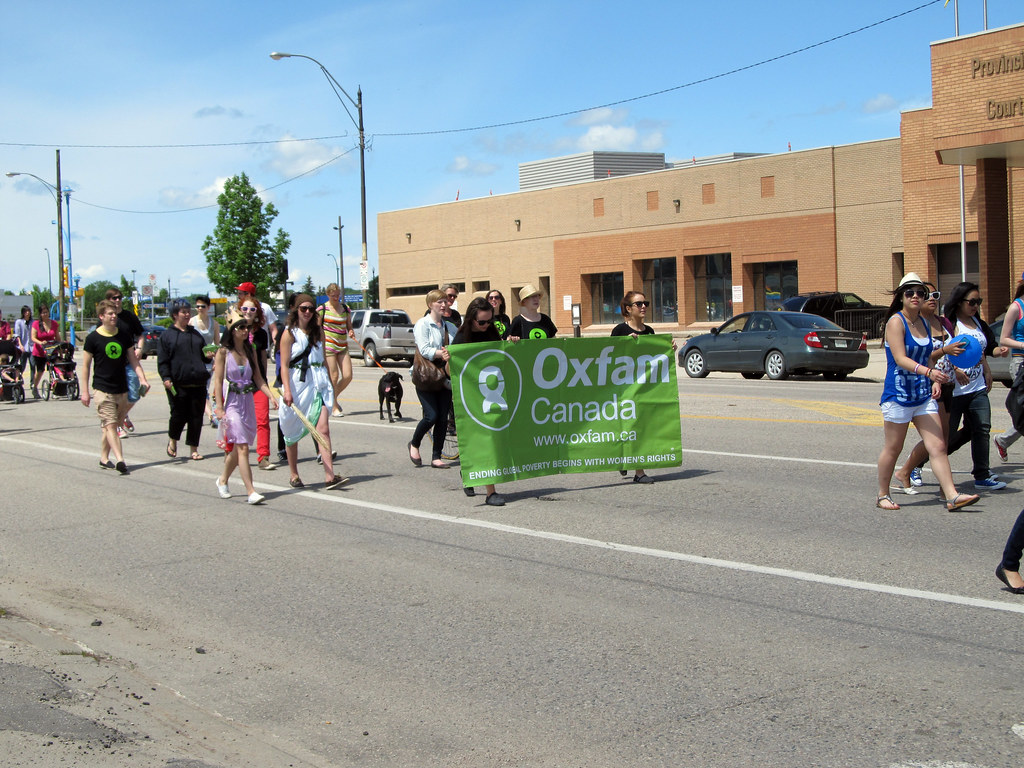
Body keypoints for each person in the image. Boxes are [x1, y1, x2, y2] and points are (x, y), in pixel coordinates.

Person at [876, 273, 979, 511]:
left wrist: (933, 377)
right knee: (894, 448)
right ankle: (882, 494)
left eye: (920, 293)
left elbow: (927, 356)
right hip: (899, 395)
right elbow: (900, 359)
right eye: (910, 292)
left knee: (938, 445)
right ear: (901, 297)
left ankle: (952, 496)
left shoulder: (923, 323)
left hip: (922, 395)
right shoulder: (896, 322)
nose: (916, 296)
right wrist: (929, 373)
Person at [892, 282, 958, 492]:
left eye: (930, 294)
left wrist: (956, 369)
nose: (929, 298)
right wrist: (933, 373)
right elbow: (921, 357)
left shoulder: (943, 322)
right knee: (939, 439)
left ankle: (909, 472)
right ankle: (915, 473)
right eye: (921, 294)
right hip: (925, 382)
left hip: (945, 381)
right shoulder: (911, 324)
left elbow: (954, 351)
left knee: (942, 438)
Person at [278, 293, 347, 490]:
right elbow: (284, 365)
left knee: (323, 429)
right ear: (296, 310)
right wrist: (287, 391)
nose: (307, 312)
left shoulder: (319, 332)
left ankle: (329, 475)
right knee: (291, 431)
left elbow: (324, 360)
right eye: (303, 308)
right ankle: (294, 474)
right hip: (297, 384)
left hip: (318, 383)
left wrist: (331, 386)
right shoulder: (289, 333)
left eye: (310, 308)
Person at [944, 281, 1008, 491]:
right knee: (945, 435)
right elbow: (942, 351)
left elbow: (986, 349)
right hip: (954, 390)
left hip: (977, 388)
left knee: (981, 429)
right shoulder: (949, 324)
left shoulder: (978, 323)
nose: (976, 306)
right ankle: (917, 464)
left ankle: (982, 475)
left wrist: (994, 360)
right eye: (972, 302)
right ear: (959, 301)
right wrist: (955, 369)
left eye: (978, 301)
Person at [610, 290, 677, 484]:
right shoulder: (619, 331)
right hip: (624, 389)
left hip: (644, 389)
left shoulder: (649, 332)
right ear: (628, 309)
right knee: (625, 427)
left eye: (645, 303)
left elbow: (654, 361)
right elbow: (608, 359)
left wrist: (667, 349)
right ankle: (622, 457)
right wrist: (625, 344)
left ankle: (639, 473)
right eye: (638, 304)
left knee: (641, 428)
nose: (643, 307)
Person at [212, 311, 279, 504]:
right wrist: (219, 407)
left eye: (247, 327)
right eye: (241, 327)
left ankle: (222, 479)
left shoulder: (250, 350)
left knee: (240, 446)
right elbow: (218, 381)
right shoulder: (223, 352)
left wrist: (271, 396)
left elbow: (258, 377)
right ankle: (251, 491)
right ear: (232, 330)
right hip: (231, 402)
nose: (245, 330)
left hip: (247, 401)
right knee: (242, 447)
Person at [80, 299, 149, 475]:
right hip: (102, 389)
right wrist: (85, 392)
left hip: (121, 388)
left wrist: (142, 379)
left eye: (114, 314)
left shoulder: (123, 336)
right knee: (111, 426)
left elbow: (133, 360)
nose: (113, 316)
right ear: (101, 316)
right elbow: (86, 366)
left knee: (111, 425)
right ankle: (120, 460)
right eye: (110, 314)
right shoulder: (93, 338)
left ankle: (104, 458)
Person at [452, 297, 506, 505]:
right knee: (478, 440)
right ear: (471, 319)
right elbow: (449, 372)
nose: (486, 325)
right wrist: (448, 360)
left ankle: (477, 477)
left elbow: (503, 358)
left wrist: (512, 344)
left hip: (491, 395)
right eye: (482, 322)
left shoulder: (492, 333)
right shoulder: (461, 338)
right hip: (469, 396)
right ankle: (489, 491)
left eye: (489, 321)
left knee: (490, 439)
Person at [408, 289, 457, 469]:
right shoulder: (423, 324)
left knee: (443, 418)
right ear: (430, 305)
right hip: (426, 376)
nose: (443, 304)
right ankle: (414, 443)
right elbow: (424, 349)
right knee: (432, 416)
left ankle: (436, 456)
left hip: (445, 376)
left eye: (445, 301)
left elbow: (460, 344)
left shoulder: (450, 327)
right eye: (439, 302)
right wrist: (441, 353)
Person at [158, 300, 209, 461]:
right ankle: (173, 440)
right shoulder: (167, 336)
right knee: (178, 415)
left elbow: (204, 356)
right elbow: (163, 361)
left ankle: (194, 449)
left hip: (198, 382)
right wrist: (166, 378)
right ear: (175, 315)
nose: (187, 315)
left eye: (188, 312)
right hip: (177, 383)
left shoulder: (195, 334)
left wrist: (209, 356)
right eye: (183, 312)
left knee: (196, 417)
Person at [236, 298, 275, 470]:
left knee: (263, 420)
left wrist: (265, 383)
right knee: (236, 421)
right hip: (238, 385)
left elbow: (262, 359)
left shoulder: (261, 334)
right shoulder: (233, 332)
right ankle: (230, 452)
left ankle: (263, 456)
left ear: (257, 313)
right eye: (245, 308)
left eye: (252, 310)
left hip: (257, 382)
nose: (248, 312)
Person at [106, 289, 145, 438]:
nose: (117, 300)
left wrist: (139, 348)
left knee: (134, 394)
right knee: (117, 396)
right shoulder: (106, 318)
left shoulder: (129, 317)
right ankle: (117, 425)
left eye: (119, 297)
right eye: (114, 298)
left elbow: (140, 334)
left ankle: (121, 416)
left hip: (129, 361)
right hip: (112, 364)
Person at [994, 274, 1024, 462]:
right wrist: (1022, 345)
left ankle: (1003, 440)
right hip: (1021, 363)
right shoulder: (1016, 307)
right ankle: (1003, 440)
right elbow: (1004, 338)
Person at [318, 283, 354, 417]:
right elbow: (317, 328)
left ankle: (332, 397)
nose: (336, 298)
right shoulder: (322, 309)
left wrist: (351, 331)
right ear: (328, 294)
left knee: (348, 376)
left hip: (342, 345)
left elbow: (349, 325)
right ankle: (333, 407)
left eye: (338, 295)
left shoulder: (345, 308)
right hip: (329, 346)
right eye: (333, 295)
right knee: (333, 376)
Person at [189, 294, 221, 428]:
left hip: (208, 361)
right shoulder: (191, 322)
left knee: (206, 389)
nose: (200, 308)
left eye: (202, 306)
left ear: (208, 307)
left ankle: (210, 414)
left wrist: (216, 362)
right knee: (202, 390)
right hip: (194, 361)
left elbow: (217, 345)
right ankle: (211, 415)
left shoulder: (214, 324)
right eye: (197, 306)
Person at [29, 303, 60, 399]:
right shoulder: (36, 324)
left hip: (51, 350)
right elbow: (33, 337)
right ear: (40, 314)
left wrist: (60, 346)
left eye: (46, 312)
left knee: (54, 369)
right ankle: (35, 387)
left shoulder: (54, 323)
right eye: (43, 313)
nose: (45, 314)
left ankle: (55, 389)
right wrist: (40, 342)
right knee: (40, 370)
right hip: (40, 351)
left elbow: (57, 337)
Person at [235, 282, 278, 347]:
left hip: (261, 347)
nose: (238, 296)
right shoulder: (238, 308)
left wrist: (276, 346)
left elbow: (273, 329)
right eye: (245, 309)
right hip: (243, 348)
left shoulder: (265, 307)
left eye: (240, 293)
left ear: (248, 294)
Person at [13, 306, 32, 377]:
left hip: (31, 347)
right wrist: (20, 345)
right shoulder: (19, 322)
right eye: (25, 311)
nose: (27, 313)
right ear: (23, 313)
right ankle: (19, 377)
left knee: (33, 365)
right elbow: (17, 335)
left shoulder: (33, 322)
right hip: (23, 347)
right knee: (22, 365)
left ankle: (32, 382)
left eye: (28, 311)